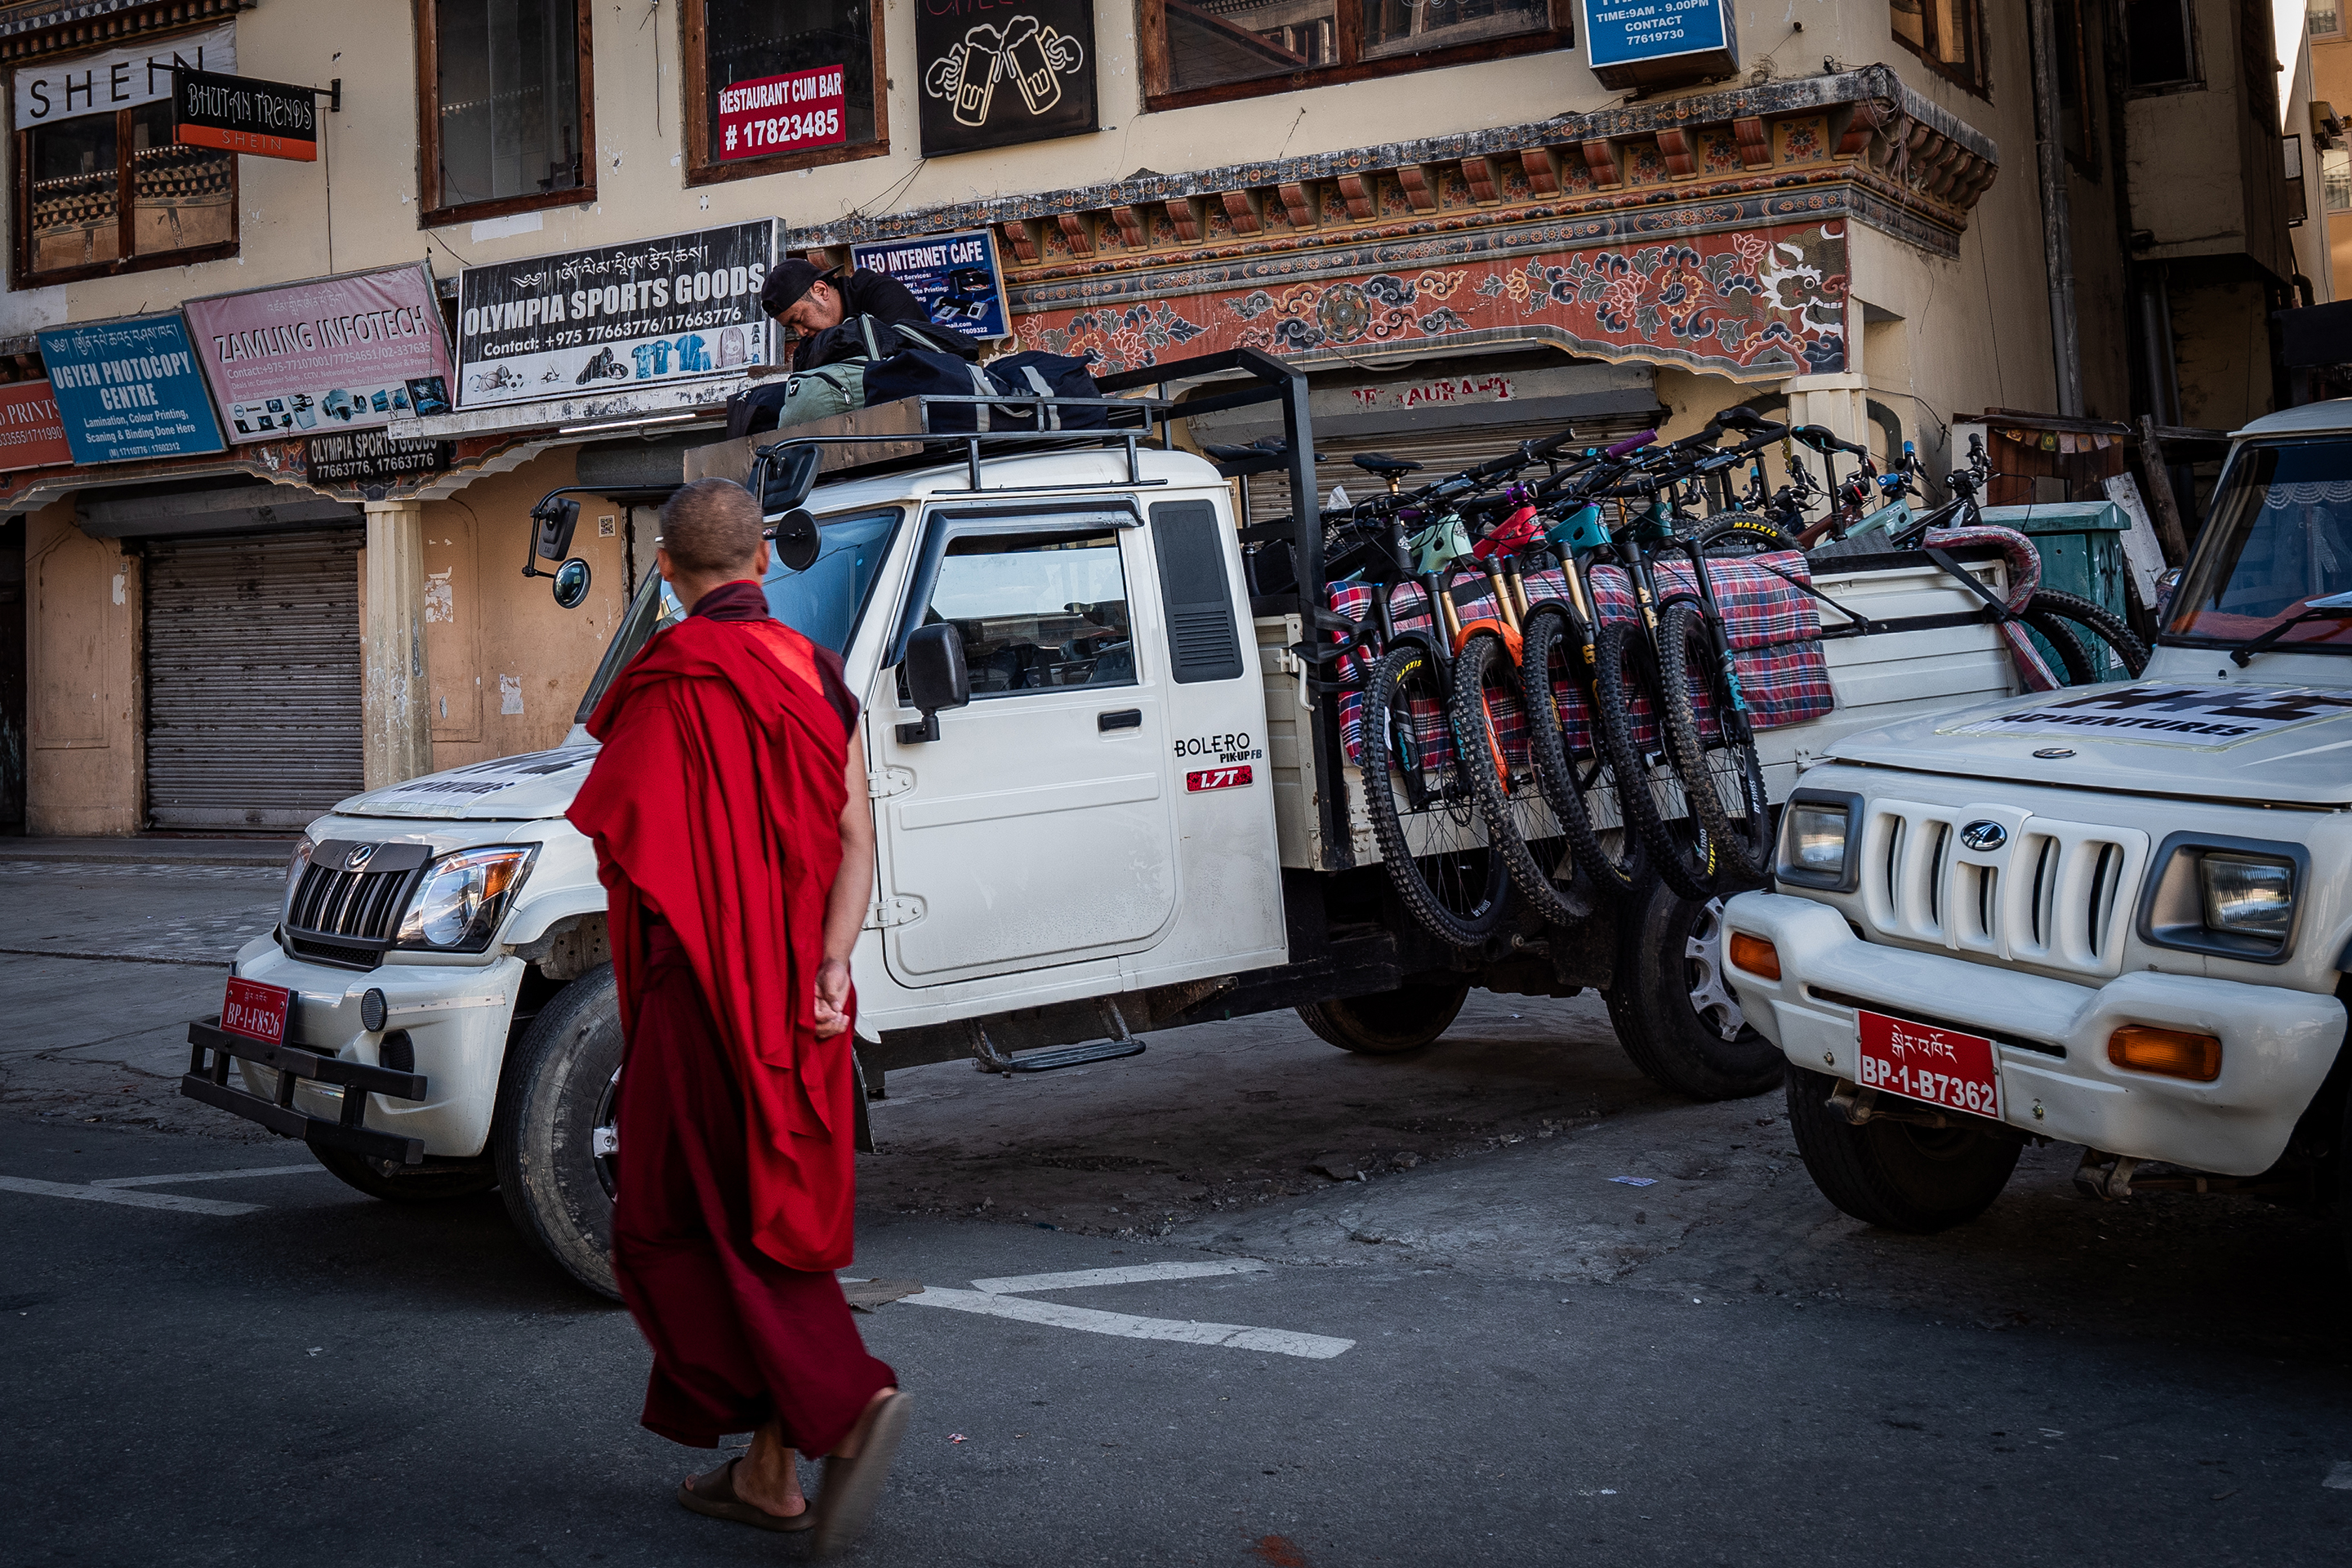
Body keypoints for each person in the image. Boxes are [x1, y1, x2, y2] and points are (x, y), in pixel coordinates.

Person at [567, 477, 910, 1556]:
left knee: (669, 1224)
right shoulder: (814, 673)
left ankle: (842, 1401)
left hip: (701, 1004)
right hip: (803, 1000)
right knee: (759, 1209)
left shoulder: (665, 679)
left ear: (666, 574)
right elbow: (858, 835)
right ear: (765, 562)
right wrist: (831, 964)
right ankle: (770, 1475)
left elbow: (628, 842)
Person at [762, 258, 933, 372]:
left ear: (821, 291)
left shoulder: (883, 294)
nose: (801, 332)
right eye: (792, 328)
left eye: (799, 319)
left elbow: (900, 353)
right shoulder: (809, 343)